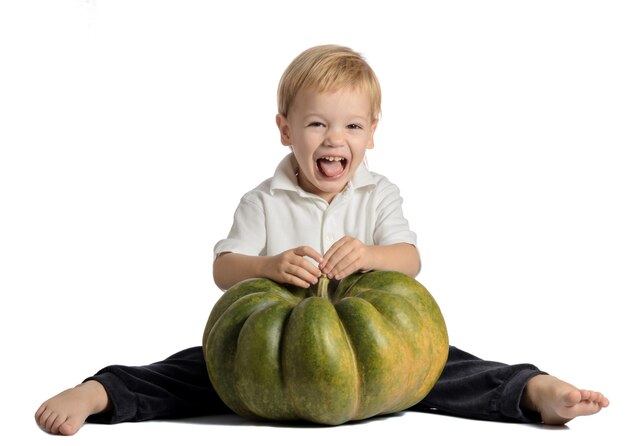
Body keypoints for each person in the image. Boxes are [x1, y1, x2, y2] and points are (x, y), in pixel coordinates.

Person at [35, 44, 609, 436]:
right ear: (285, 129)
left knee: (448, 368)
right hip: (266, 351)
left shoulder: (378, 194)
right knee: (189, 371)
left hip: (375, 350)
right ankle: (98, 395)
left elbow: (410, 260)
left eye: (352, 125)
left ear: (372, 134)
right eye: (316, 124)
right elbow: (223, 269)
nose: (335, 139)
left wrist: (371, 256)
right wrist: (269, 265)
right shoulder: (262, 199)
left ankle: (536, 392)